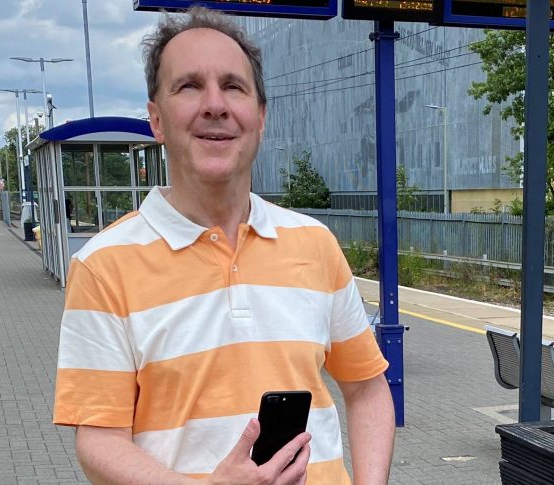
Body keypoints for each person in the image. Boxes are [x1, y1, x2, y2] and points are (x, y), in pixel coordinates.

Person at [53, 8, 395, 484]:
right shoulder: (102, 267)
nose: (215, 104)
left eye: (233, 86)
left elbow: (366, 389)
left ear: (260, 116)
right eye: (189, 86)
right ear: (156, 119)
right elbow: (99, 442)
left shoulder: (315, 244)